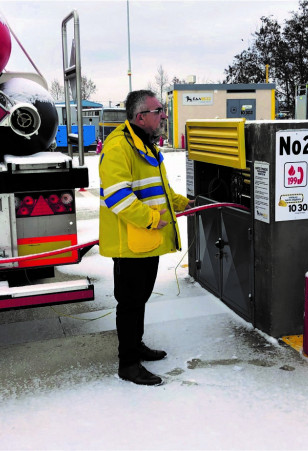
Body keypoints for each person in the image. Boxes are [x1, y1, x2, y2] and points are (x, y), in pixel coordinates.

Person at [98, 90, 193, 386]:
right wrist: (152, 220)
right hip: (130, 243)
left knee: (138, 300)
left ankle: (135, 346)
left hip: (144, 242)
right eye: (158, 111)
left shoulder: (143, 144)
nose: (163, 115)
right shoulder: (119, 147)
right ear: (140, 117)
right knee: (129, 303)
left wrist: (181, 203)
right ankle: (128, 364)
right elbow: (117, 196)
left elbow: (157, 188)